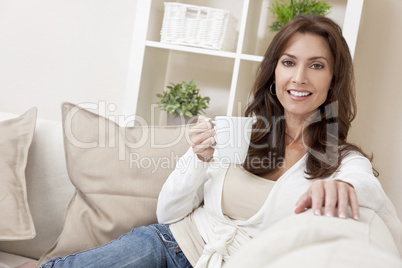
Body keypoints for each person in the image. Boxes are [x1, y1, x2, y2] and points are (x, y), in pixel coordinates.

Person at [19, 14, 397, 268]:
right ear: (273, 73)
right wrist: (197, 159)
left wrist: (343, 185)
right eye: (288, 62)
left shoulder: (339, 161)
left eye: (316, 65)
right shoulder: (241, 133)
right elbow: (168, 214)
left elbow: (368, 189)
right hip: (167, 246)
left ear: (333, 79)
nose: (299, 77)